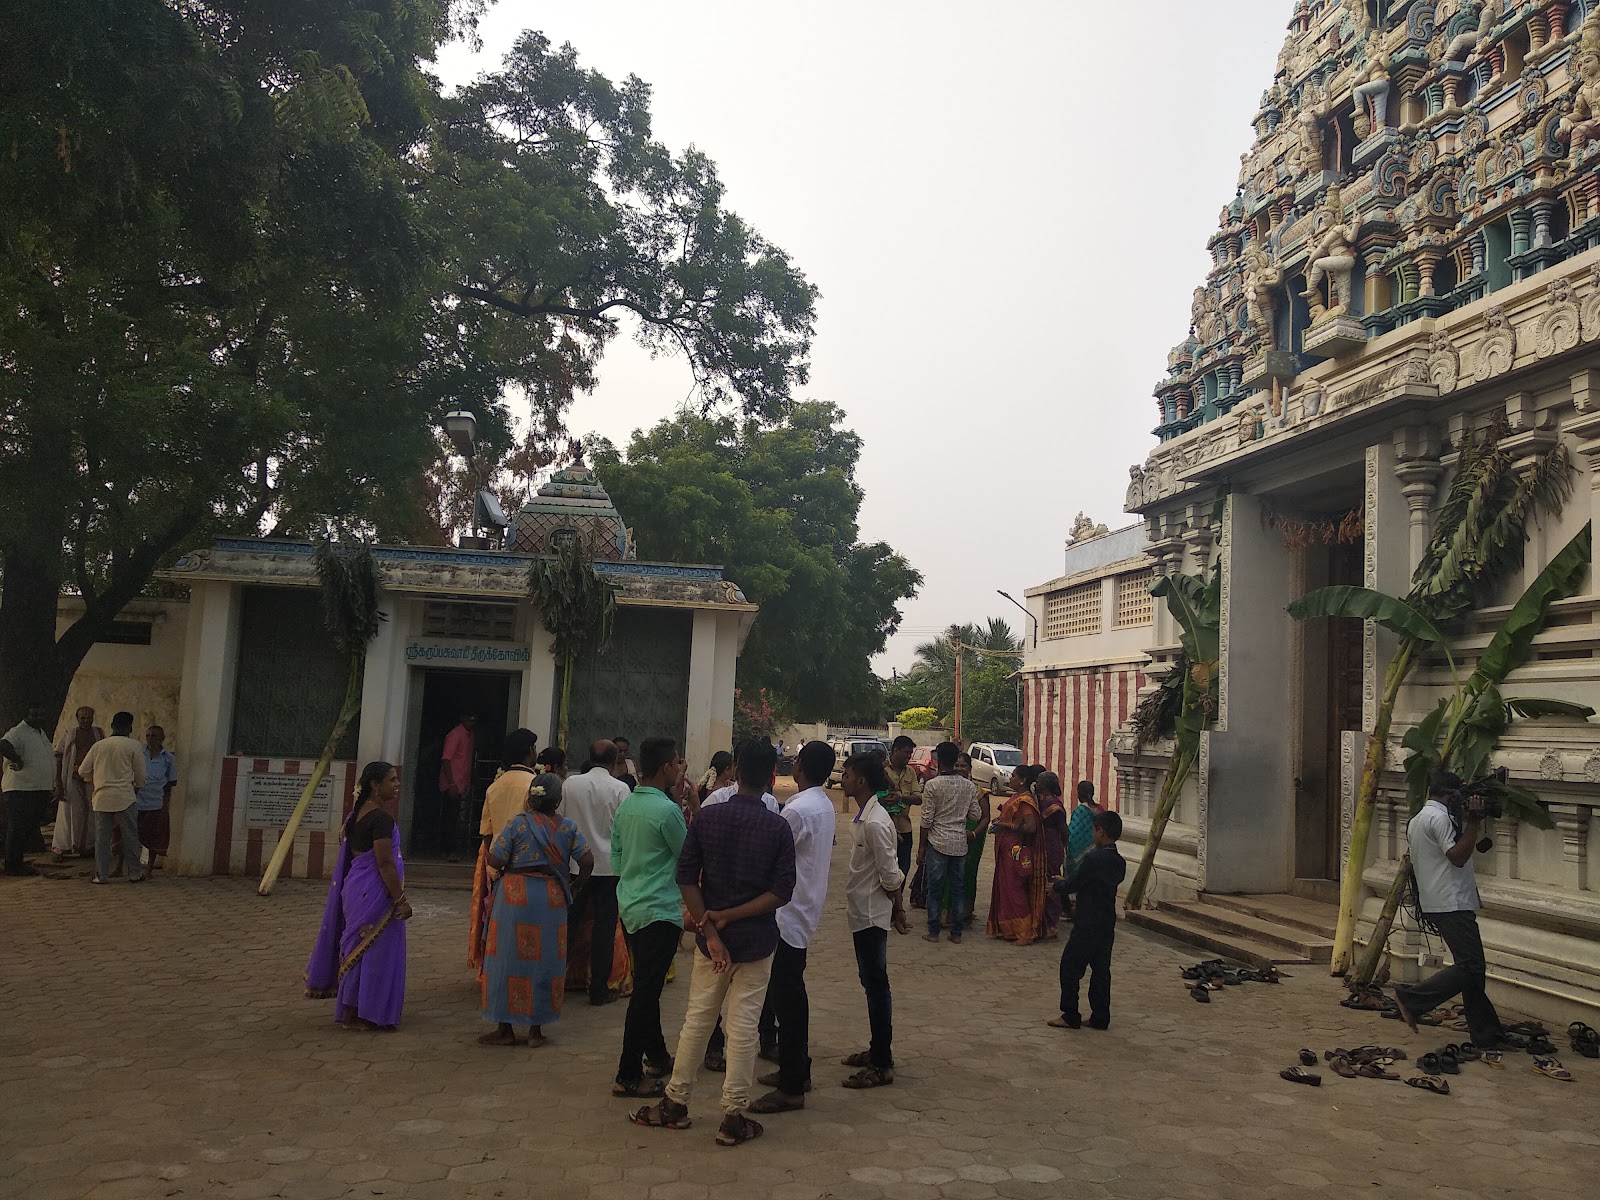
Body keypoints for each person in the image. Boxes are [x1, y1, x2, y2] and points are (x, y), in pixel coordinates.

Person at [630, 741, 796, 1148]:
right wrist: (729, 917)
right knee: (743, 1028)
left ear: (735, 771)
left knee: (698, 1020)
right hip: (756, 942)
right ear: (771, 776)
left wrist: (711, 929)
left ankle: (675, 1102)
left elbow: (686, 876)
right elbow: (781, 892)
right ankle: (733, 1116)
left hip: (712, 943)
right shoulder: (777, 827)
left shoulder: (707, 819)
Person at [749, 740, 838, 1115]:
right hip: (803, 909)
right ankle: (795, 1069)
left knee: (788, 999)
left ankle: (792, 1085)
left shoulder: (798, 810)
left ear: (799, 766)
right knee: (788, 994)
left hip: (787, 913)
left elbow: (771, 855)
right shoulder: (822, 804)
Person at [1391, 771, 1510, 1049]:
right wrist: (1474, 822)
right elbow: (1457, 857)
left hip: (1439, 901)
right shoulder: (1440, 818)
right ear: (1450, 796)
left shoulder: (1419, 818)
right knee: (1471, 966)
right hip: (1451, 902)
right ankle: (1412, 999)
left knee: (1473, 970)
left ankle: (1487, 1035)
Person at [478, 772, 593, 1048]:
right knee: (545, 961)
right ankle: (535, 1032)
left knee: (506, 960)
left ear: (530, 798)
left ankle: (504, 1029)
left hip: (515, 898)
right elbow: (587, 860)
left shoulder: (517, 824)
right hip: (551, 899)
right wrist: (575, 886)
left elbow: (496, 859)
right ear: (558, 800)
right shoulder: (568, 828)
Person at [610, 737, 690, 1099]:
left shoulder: (628, 806)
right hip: (659, 910)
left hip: (631, 905)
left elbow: (616, 857)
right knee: (645, 993)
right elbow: (687, 856)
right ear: (665, 767)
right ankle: (628, 1073)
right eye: (676, 763)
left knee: (647, 985)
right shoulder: (667, 812)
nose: (679, 768)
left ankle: (656, 1055)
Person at [305, 762, 411, 1028]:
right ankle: (370, 1014)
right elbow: (384, 863)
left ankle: (352, 1011)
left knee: (358, 950)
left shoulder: (355, 816)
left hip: (355, 889)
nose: (397, 784)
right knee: (375, 954)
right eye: (391, 780)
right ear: (375, 785)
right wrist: (400, 900)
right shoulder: (381, 819)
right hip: (375, 893)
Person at [840, 750, 905, 1089]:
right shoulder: (866, 817)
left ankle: (881, 1062)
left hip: (871, 913)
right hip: (861, 910)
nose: (843, 780)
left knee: (877, 986)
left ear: (862, 780)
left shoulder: (877, 823)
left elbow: (890, 874)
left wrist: (898, 907)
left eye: (848, 775)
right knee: (871, 982)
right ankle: (877, 1049)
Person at [563, 740, 633, 1006]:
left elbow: (560, 821)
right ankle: (599, 988)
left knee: (569, 925)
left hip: (576, 865)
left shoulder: (570, 784)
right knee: (604, 928)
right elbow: (625, 829)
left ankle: (554, 980)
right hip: (609, 867)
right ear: (615, 761)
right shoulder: (620, 788)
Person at [469, 729, 541, 974]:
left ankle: (496, 966)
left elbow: (487, 832)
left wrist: (492, 862)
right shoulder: (534, 785)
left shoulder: (495, 786)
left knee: (498, 918)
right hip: (528, 864)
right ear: (530, 751)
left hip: (499, 863)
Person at [1048, 810, 1126, 1031]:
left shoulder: (1094, 858)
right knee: (1101, 970)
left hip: (1087, 921)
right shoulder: (1119, 861)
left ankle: (1070, 1014)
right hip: (1106, 921)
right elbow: (1089, 881)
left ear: (1100, 832)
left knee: (1070, 966)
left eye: (1094, 830)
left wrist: (1057, 886)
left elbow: (1076, 883)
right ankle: (1100, 1016)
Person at [917, 741, 981, 944]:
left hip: (937, 842)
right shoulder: (969, 786)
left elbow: (926, 820)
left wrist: (921, 847)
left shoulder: (932, 785)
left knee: (935, 889)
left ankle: (934, 931)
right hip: (960, 843)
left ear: (938, 760)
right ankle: (956, 933)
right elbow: (976, 814)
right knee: (958, 888)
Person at [77, 711, 145, 885]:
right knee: (130, 836)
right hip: (125, 796)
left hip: (101, 796)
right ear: (130, 728)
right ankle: (134, 873)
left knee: (102, 838)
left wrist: (93, 779)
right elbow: (140, 774)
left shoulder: (98, 746)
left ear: (112, 726)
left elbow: (82, 771)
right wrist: (137, 786)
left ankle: (101, 875)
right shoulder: (134, 745)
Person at [987, 764, 1047, 944]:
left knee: (1015, 889)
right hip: (1006, 849)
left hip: (1016, 851)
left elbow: (1031, 827)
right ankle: (1009, 929)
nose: (1010, 779)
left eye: (1013, 776)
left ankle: (1025, 933)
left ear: (1022, 780)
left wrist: (1005, 825)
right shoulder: (1016, 797)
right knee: (1005, 887)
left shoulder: (1025, 800)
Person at [2, 702, 57, 877]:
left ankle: (18, 862)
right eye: (34, 715)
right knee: (18, 828)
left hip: (36, 789)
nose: (38, 718)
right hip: (21, 789)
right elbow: (3, 744)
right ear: (26, 716)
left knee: (27, 828)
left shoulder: (39, 732)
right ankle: (12, 865)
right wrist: (17, 759)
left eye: (41, 715)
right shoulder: (18, 731)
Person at [52, 705, 103, 860]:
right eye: (83, 718)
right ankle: (64, 847)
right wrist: (58, 782)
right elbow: (59, 756)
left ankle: (88, 846)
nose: (86, 721)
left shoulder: (99, 734)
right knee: (69, 812)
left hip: (92, 779)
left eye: (89, 718)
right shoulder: (70, 734)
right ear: (77, 718)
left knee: (92, 812)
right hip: (71, 779)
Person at [135, 726, 178, 874]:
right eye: (148, 735)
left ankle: (149, 868)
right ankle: (124, 865)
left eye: (154, 736)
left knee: (154, 835)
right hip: (138, 799)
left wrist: (160, 791)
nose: (150, 739)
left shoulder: (168, 758)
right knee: (130, 832)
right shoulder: (139, 754)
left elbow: (172, 780)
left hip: (156, 801)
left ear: (162, 738)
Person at [437, 711, 478, 857]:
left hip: (462, 782)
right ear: (463, 719)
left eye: (474, 720)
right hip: (452, 784)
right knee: (449, 818)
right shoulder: (455, 735)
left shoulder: (470, 735)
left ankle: (451, 849)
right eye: (469, 719)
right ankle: (448, 850)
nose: (471, 723)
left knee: (455, 818)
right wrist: (451, 784)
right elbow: (446, 760)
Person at [883, 735, 923, 877]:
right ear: (895, 750)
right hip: (884, 829)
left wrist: (901, 798)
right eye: (906, 752)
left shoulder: (910, 772)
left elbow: (919, 798)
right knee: (884, 869)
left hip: (905, 829)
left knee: (903, 870)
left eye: (910, 753)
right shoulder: (881, 769)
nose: (908, 756)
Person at [1036, 771, 1068, 937]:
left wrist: (1063, 847)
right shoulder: (1040, 802)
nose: (1036, 784)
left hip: (1052, 847)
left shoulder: (1054, 807)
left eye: (1039, 781)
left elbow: (1064, 831)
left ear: (1044, 785)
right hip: (1040, 847)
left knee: (1051, 882)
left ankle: (1051, 924)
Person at [1065, 779, 1101, 874]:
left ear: (1080, 794)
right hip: (1096, 851)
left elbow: (1072, 834)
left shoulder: (1080, 810)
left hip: (1079, 853)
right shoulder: (1099, 809)